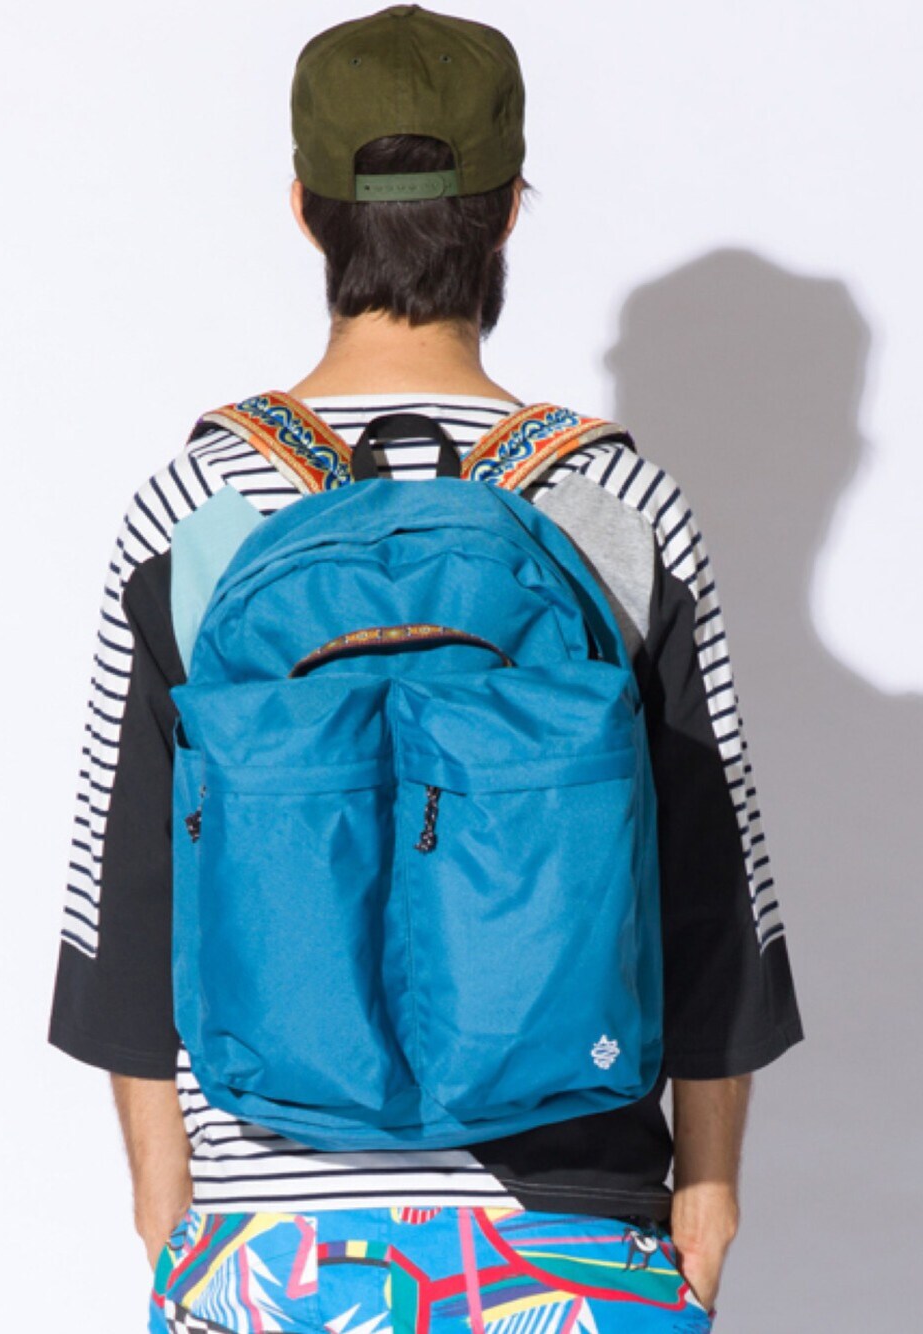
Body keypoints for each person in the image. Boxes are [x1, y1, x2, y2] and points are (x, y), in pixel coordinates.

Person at [47, 6, 804, 1331]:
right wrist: (709, 1187)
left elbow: (122, 903)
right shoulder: (620, 505)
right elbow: (713, 885)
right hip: (573, 1222)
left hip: (271, 1231)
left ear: (306, 212)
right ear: (508, 210)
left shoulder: (193, 507)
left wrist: (173, 1215)